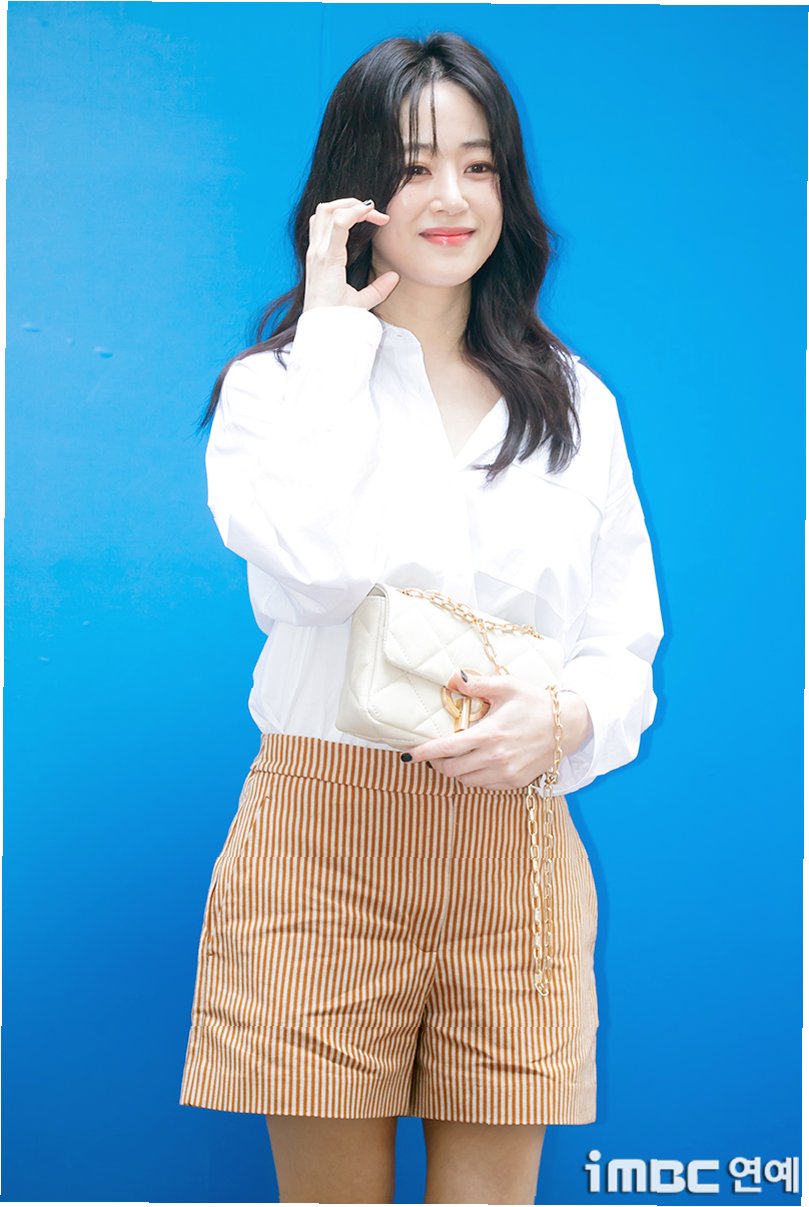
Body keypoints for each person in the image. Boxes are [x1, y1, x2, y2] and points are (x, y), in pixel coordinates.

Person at [179, 31, 663, 1206]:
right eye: (412, 165)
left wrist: (563, 719)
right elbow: (314, 572)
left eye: (479, 165)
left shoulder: (576, 403)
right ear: (351, 191)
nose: (451, 197)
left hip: (513, 852)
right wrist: (335, 337)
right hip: (321, 847)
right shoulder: (275, 389)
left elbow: (622, 644)